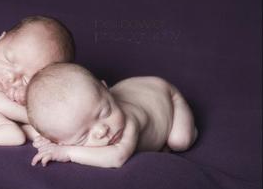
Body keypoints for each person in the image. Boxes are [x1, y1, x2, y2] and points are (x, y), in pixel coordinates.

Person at [26, 63, 198, 168]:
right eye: (83, 135)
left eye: (105, 112)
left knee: (179, 141)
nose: (102, 130)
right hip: (133, 89)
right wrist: (47, 142)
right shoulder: (80, 118)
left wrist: (67, 152)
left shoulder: (130, 121)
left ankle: (190, 125)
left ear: (105, 88)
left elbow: (117, 157)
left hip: (165, 95)